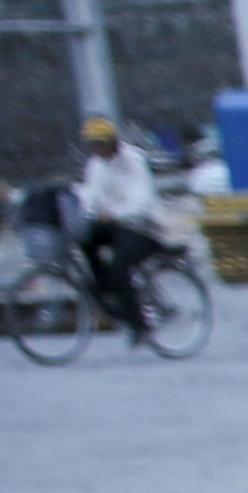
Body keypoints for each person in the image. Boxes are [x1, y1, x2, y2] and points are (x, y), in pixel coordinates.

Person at [71, 116, 178, 339]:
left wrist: (115, 214)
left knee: (119, 266)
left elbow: (142, 201)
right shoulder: (95, 165)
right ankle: (108, 291)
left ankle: (139, 324)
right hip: (114, 226)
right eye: (93, 144)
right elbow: (90, 196)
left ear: (112, 142)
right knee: (86, 242)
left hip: (143, 228)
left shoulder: (134, 161)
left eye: (100, 143)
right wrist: (87, 211)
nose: (97, 148)